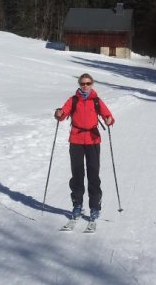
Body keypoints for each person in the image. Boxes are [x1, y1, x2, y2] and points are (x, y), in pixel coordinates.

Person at [54, 73, 115, 221]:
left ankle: (94, 206)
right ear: (79, 85)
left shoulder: (96, 101)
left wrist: (108, 120)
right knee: (77, 174)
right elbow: (62, 114)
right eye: (82, 83)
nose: (85, 86)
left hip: (93, 140)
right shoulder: (73, 100)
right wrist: (59, 113)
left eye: (88, 83)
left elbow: (109, 117)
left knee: (93, 174)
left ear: (92, 84)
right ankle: (77, 205)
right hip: (76, 140)